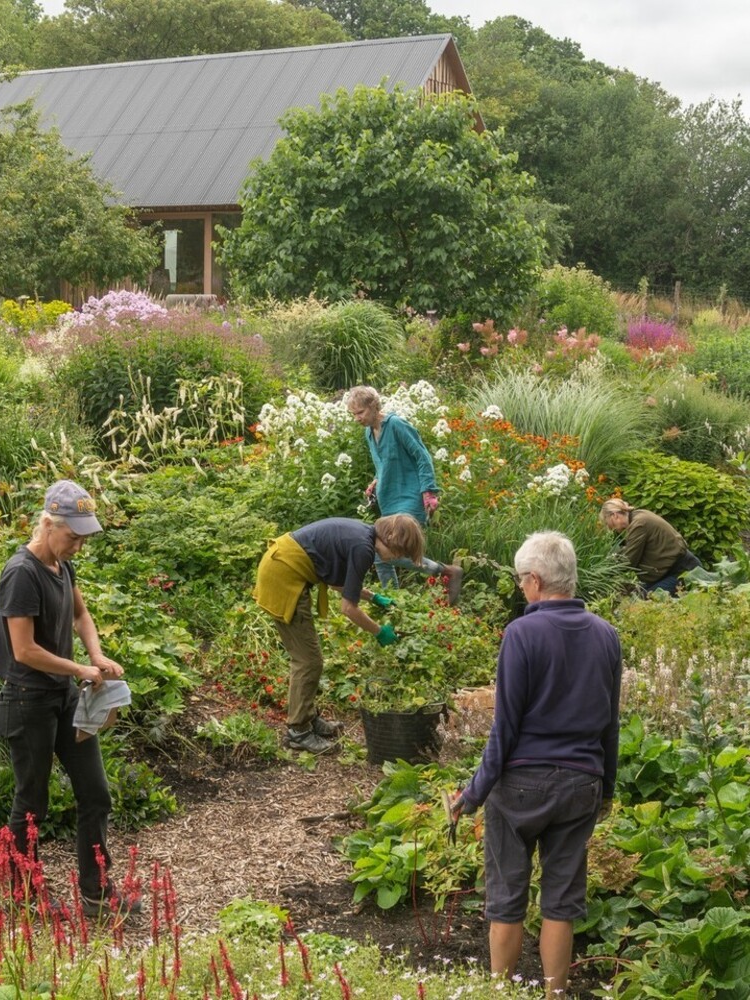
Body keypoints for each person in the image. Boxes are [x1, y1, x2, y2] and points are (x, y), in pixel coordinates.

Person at [448, 531, 621, 997]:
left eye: (523, 579)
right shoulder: (606, 635)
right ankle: (554, 994)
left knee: (506, 900)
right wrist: (606, 789)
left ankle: (499, 992)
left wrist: (472, 794)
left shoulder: (522, 633)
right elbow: (611, 724)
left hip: (521, 784)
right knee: (561, 904)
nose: (521, 587)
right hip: (581, 784)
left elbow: (505, 727)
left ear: (538, 580)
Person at [0, 480, 139, 918]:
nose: (78, 545)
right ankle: (23, 897)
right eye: (72, 536)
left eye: (83, 537)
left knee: (95, 793)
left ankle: (95, 892)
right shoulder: (21, 573)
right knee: (32, 802)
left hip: (63, 700)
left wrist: (96, 654)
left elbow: (80, 614)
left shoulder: (63, 567)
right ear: (47, 524)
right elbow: (24, 650)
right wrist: (79, 669)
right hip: (27, 702)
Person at [254, 513, 423, 753]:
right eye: (401, 553)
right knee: (308, 661)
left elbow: (335, 582)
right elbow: (348, 608)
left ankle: (308, 719)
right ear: (393, 541)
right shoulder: (363, 548)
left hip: (281, 565)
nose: (398, 559)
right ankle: (298, 732)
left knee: (310, 659)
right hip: (284, 576)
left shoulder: (361, 536)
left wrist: (373, 597)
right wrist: (379, 632)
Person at [344, 386, 462, 604]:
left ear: (373, 406)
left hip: (410, 496)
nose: (356, 418)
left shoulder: (396, 425)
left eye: (359, 412)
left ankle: (447, 572)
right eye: (353, 414)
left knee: (388, 551)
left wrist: (429, 491)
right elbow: (384, 461)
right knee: (380, 556)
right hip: (389, 499)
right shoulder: (369, 432)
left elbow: (421, 455)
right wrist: (376, 480)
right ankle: (394, 604)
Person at [600, 498, 702, 596]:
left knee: (644, 600)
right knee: (633, 596)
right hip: (670, 570)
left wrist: (602, 573)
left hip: (683, 571)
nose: (610, 528)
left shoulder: (639, 523)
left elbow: (628, 561)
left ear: (614, 515)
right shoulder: (639, 516)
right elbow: (630, 550)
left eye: (607, 522)